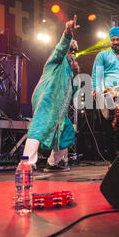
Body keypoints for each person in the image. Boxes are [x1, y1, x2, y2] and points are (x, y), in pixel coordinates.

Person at [22, 15, 80, 172]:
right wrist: (68, 33)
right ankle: (27, 163)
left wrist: (75, 76)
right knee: (40, 125)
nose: (73, 53)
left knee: (66, 129)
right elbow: (61, 47)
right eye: (71, 49)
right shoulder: (55, 60)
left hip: (59, 107)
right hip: (46, 98)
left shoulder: (70, 70)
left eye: (75, 51)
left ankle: (55, 163)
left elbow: (73, 94)